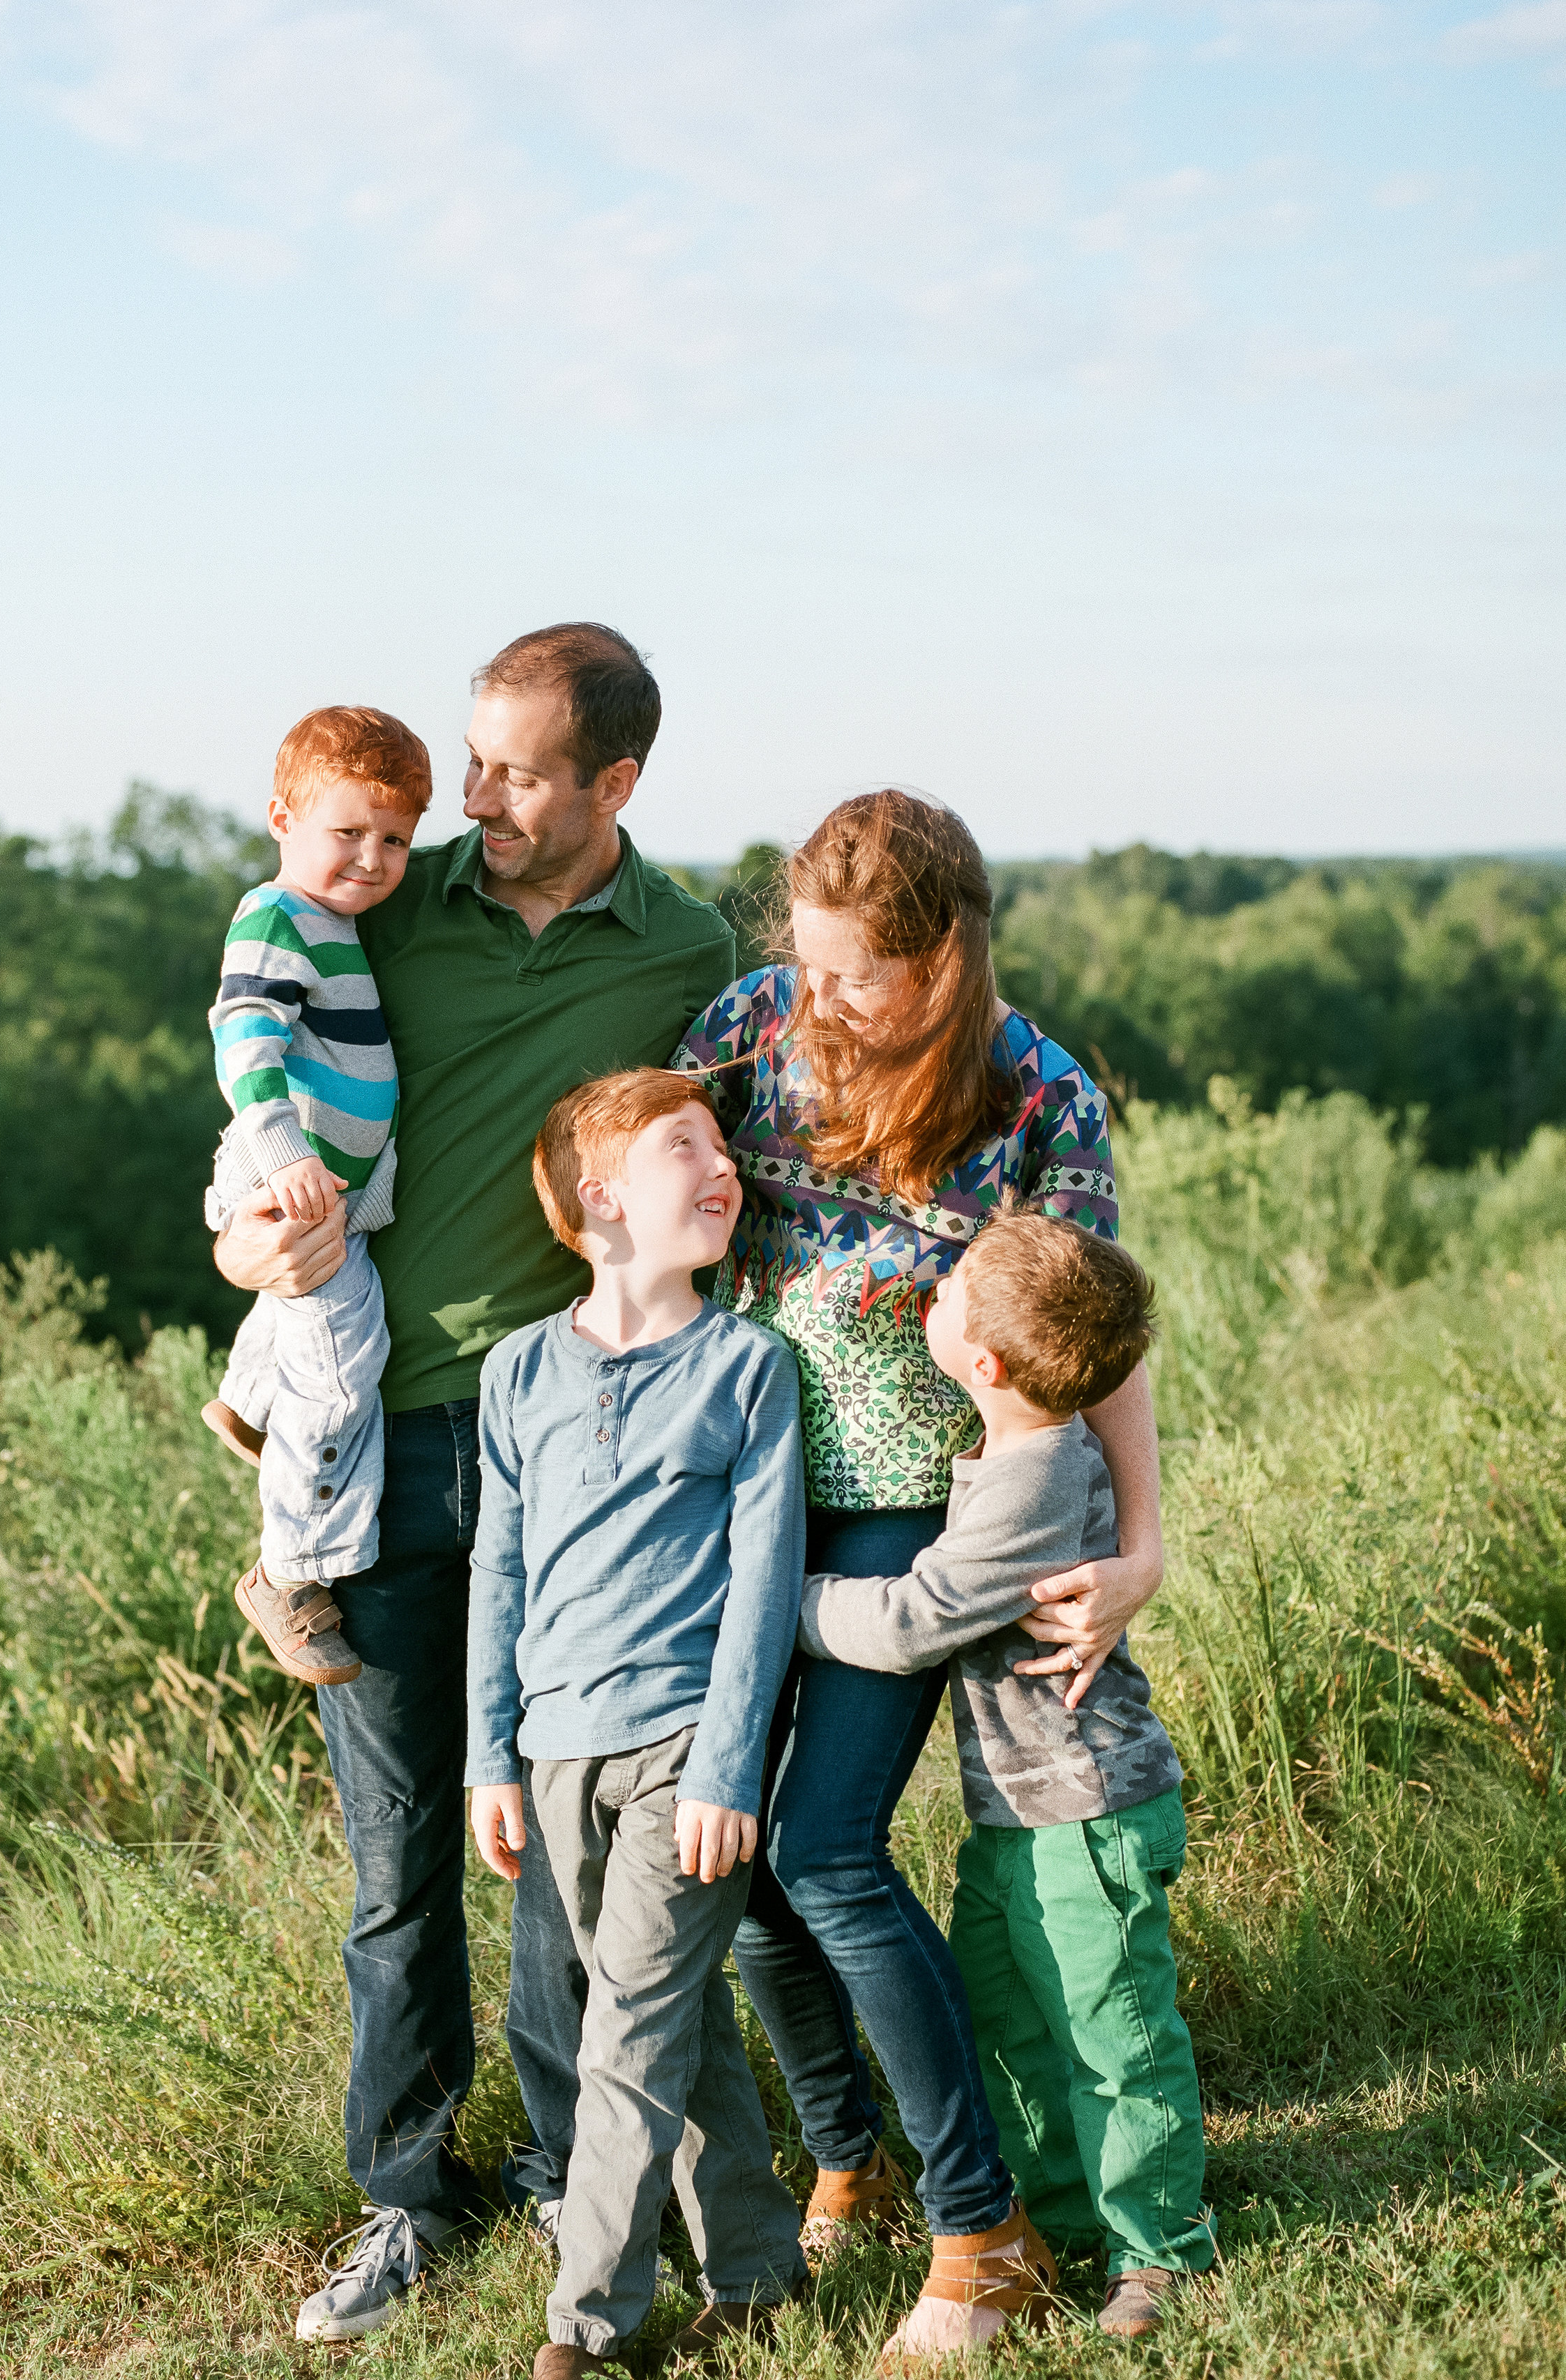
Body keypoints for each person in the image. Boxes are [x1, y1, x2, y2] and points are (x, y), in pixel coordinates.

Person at [211, 628, 737, 2344]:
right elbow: (260, 1109)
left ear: (615, 787)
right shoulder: (384, 902)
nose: (481, 802)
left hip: (567, 1452)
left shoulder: (683, 947)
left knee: (560, 1840)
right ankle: (404, 2194)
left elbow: (720, 1173)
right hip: (375, 1434)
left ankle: (568, 2169)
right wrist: (240, 1238)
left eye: (516, 773)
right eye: (473, 761)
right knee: (396, 1858)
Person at [672, 789, 1167, 2360]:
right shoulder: (756, 1024)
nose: (822, 998)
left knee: (824, 1851)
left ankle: (982, 2230)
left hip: (908, 1513)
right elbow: (638, 1188)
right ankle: (846, 2156)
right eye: (807, 965)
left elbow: (1095, 1343)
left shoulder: (1037, 1096)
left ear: (944, 956)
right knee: (731, 1862)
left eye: (856, 976)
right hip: (744, 1484)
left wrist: (1141, 1544)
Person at [798, 1204, 1214, 2341]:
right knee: (1010, 2015)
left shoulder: (1036, 1478)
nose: (924, 1297)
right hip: (1018, 1805)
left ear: (977, 1360)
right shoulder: (1006, 1439)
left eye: (944, 1296)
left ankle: (1158, 2249)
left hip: (1089, 1805)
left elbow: (908, 1620)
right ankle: (1067, 2215)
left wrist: (774, 1603)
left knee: (1113, 2027)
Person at [467, 1070, 808, 2380]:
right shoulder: (518, 1372)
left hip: (685, 1755)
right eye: (688, 1146)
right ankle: (761, 2267)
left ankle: (586, 2328)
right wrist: (489, 1752)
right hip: (556, 1751)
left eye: (725, 1146)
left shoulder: (746, 1369)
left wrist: (730, 1762)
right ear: (601, 1198)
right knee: (675, 2016)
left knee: (626, 2024)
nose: (725, 1167)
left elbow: (766, 1588)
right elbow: (501, 1570)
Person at [201, 707, 431, 1688]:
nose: (373, 857)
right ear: (281, 816)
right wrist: (283, 1145)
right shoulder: (277, 914)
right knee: (346, 1364)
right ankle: (290, 1572)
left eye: (395, 840)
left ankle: (250, 1399)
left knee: (319, 1333)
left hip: (321, 1180)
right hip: (285, 1175)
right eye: (348, 832)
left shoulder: (334, 922)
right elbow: (244, 1030)